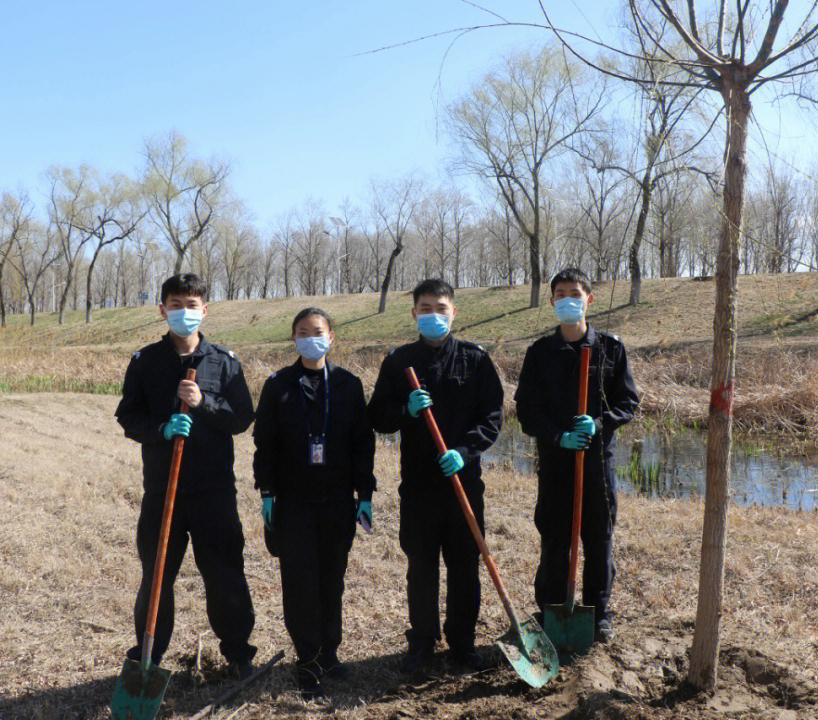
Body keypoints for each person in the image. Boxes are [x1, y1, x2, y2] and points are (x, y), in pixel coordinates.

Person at [115, 273, 257, 675]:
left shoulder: (224, 363)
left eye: (192, 305)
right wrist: (161, 429)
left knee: (225, 573)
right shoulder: (145, 361)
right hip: (163, 490)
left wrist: (205, 402)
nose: (184, 312)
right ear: (162, 310)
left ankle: (238, 653)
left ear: (205, 310)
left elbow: (243, 418)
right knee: (157, 573)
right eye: (176, 304)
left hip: (213, 491)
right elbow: (128, 417)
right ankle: (148, 656)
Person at [367, 279, 504, 675]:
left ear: (454, 312)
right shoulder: (398, 362)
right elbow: (377, 417)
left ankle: (463, 643)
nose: (433, 315)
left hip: (464, 483)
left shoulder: (476, 360)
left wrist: (463, 453)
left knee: (465, 566)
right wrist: (405, 410)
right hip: (419, 487)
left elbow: (493, 417)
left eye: (440, 308)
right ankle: (422, 641)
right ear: (413, 313)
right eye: (425, 308)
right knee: (421, 567)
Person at [253, 308, 376, 699]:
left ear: (331, 337)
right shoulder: (278, 386)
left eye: (318, 331)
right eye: (303, 332)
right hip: (293, 504)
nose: (311, 338)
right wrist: (267, 492)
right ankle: (306, 660)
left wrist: (365, 496)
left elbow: (363, 445)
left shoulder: (348, 385)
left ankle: (330, 652)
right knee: (300, 583)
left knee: (331, 580)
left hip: (337, 501)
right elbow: (264, 444)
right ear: (293, 338)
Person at [513, 268, 640, 644]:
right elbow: (526, 411)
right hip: (555, 463)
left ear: (589, 299)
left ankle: (598, 613)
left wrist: (600, 423)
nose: (569, 299)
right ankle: (551, 607)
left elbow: (628, 402)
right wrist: (558, 435)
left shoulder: (610, 349)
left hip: (597, 464)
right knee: (554, 539)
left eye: (576, 292)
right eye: (561, 293)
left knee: (599, 539)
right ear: (552, 301)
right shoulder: (539, 353)